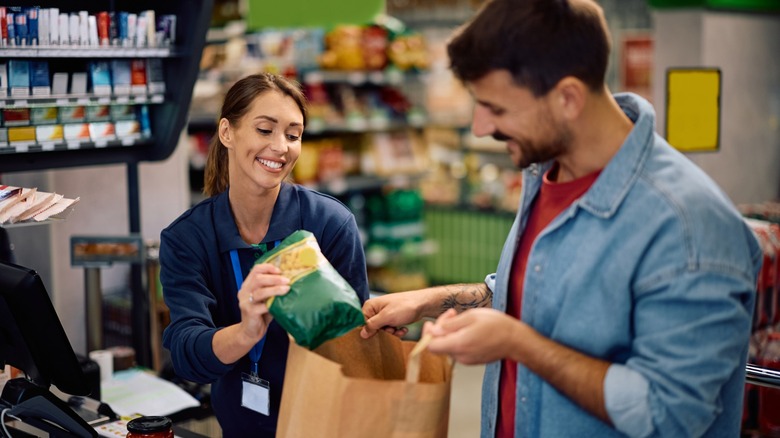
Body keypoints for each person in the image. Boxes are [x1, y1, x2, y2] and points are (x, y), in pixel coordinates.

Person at [361, 0, 761, 436]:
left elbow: (668, 414)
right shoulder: (544, 174)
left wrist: (519, 344)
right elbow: (528, 296)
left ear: (567, 98)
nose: (479, 127)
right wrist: (430, 302)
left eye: (496, 108)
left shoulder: (688, 227)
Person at [160, 73, 369, 436]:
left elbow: (357, 344)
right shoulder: (187, 238)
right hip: (240, 426)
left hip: (326, 423)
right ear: (227, 132)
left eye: (293, 134)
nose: (281, 146)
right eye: (264, 130)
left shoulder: (330, 223)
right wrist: (246, 332)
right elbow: (186, 354)